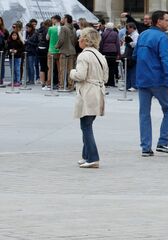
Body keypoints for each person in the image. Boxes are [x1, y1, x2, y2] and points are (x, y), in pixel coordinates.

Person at [133, 10, 168, 157]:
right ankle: (163, 141)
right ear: (158, 21)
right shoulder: (162, 37)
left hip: (142, 79)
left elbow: (135, 56)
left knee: (144, 114)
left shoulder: (142, 35)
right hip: (158, 79)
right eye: (167, 20)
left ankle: (146, 147)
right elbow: (166, 60)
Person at [69, 27, 108, 169]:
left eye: (80, 37)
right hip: (98, 91)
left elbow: (80, 76)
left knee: (86, 125)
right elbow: (106, 77)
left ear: (85, 40)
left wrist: (72, 72)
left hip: (88, 92)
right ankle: (86, 155)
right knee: (87, 124)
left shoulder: (83, 56)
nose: (78, 39)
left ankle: (92, 157)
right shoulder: (100, 55)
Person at [55, 14, 77, 91]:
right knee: (71, 70)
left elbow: (61, 39)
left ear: (66, 19)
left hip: (64, 51)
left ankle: (61, 85)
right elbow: (75, 41)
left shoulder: (63, 28)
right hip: (72, 51)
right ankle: (70, 85)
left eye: (63, 18)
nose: (62, 19)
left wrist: (56, 46)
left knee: (62, 69)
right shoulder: (73, 29)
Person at [99, 22, 119, 87]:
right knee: (112, 67)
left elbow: (101, 43)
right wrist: (118, 53)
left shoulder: (103, 33)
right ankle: (112, 82)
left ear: (106, 27)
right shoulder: (115, 33)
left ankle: (106, 82)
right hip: (113, 51)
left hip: (105, 51)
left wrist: (101, 51)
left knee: (105, 67)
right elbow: (117, 44)